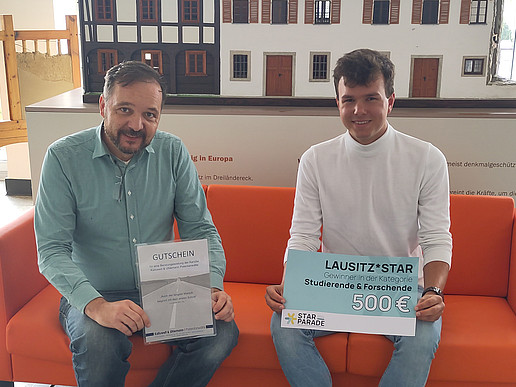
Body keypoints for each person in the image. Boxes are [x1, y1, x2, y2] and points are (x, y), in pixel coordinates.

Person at [35, 60, 238, 387]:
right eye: (125, 110)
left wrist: (212, 287)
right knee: (99, 343)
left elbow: (200, 229)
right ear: (103, 106)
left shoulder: (173, 152)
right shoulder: (62, 158)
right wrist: (98, 307)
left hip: (165, 289)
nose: (136, 124)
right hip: (94, 291)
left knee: (222, 332)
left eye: (149, 115)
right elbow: (51, 250)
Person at [265, 48, 452, 386]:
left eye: (371, 98)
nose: (358, 110)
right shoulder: (315, 159)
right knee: (283, 326)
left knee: (423, 336)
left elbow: (436, 236)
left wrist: (434, 292)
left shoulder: (427, 158)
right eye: (348, 99)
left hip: (400, 287)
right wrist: (292, 284)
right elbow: (304, 235)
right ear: (337, 103)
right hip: (334, 285)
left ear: (390, 101)